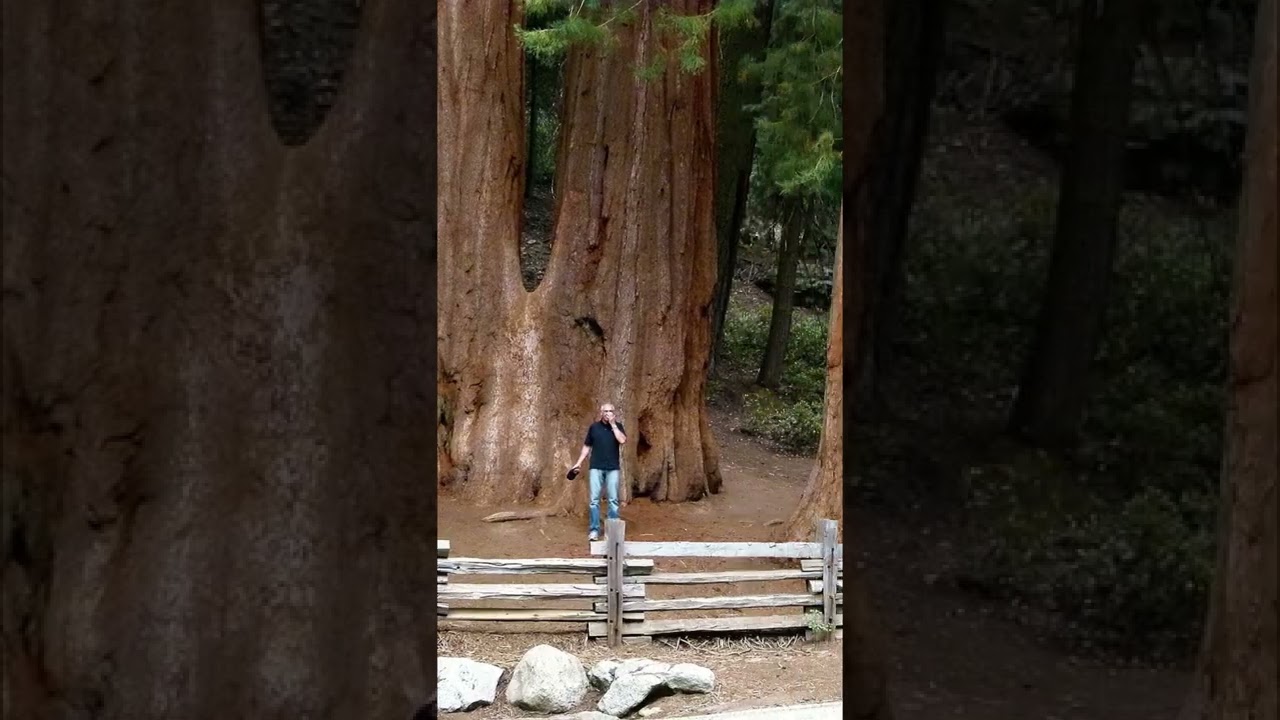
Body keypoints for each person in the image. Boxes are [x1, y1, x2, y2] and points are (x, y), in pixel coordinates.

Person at [570, 403, 627, 541]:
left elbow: (622, 440)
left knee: (613, 500)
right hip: (596, 467)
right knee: (594, 500)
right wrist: (578, 463)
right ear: (601, 413)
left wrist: (613, 425)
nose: (608, 413)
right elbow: (587, 446)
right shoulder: (594, 427)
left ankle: (612, 531)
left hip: (613, 468)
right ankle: (594, 530)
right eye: (605, 411)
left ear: (614, 413)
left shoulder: (618, 427)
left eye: (610, 411)